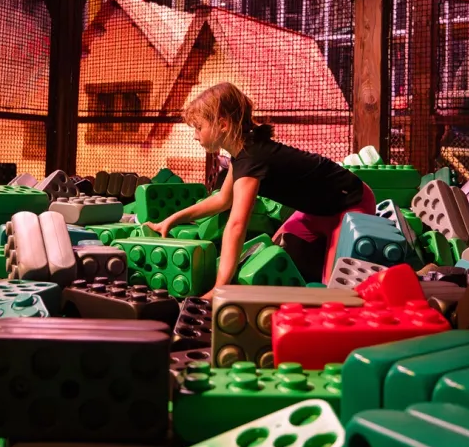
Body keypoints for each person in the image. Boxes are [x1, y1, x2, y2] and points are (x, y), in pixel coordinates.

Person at [144, 82, 376, 297]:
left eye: (199, 127)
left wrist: (220, 287)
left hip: (350, 203)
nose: (195, 136)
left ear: (223, 124)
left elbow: (237, 225)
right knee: (273, 251)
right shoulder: (242, 154)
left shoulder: (252, 159)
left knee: (336, 289)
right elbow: (223, 200)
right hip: (315, 211)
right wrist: (172, 220)